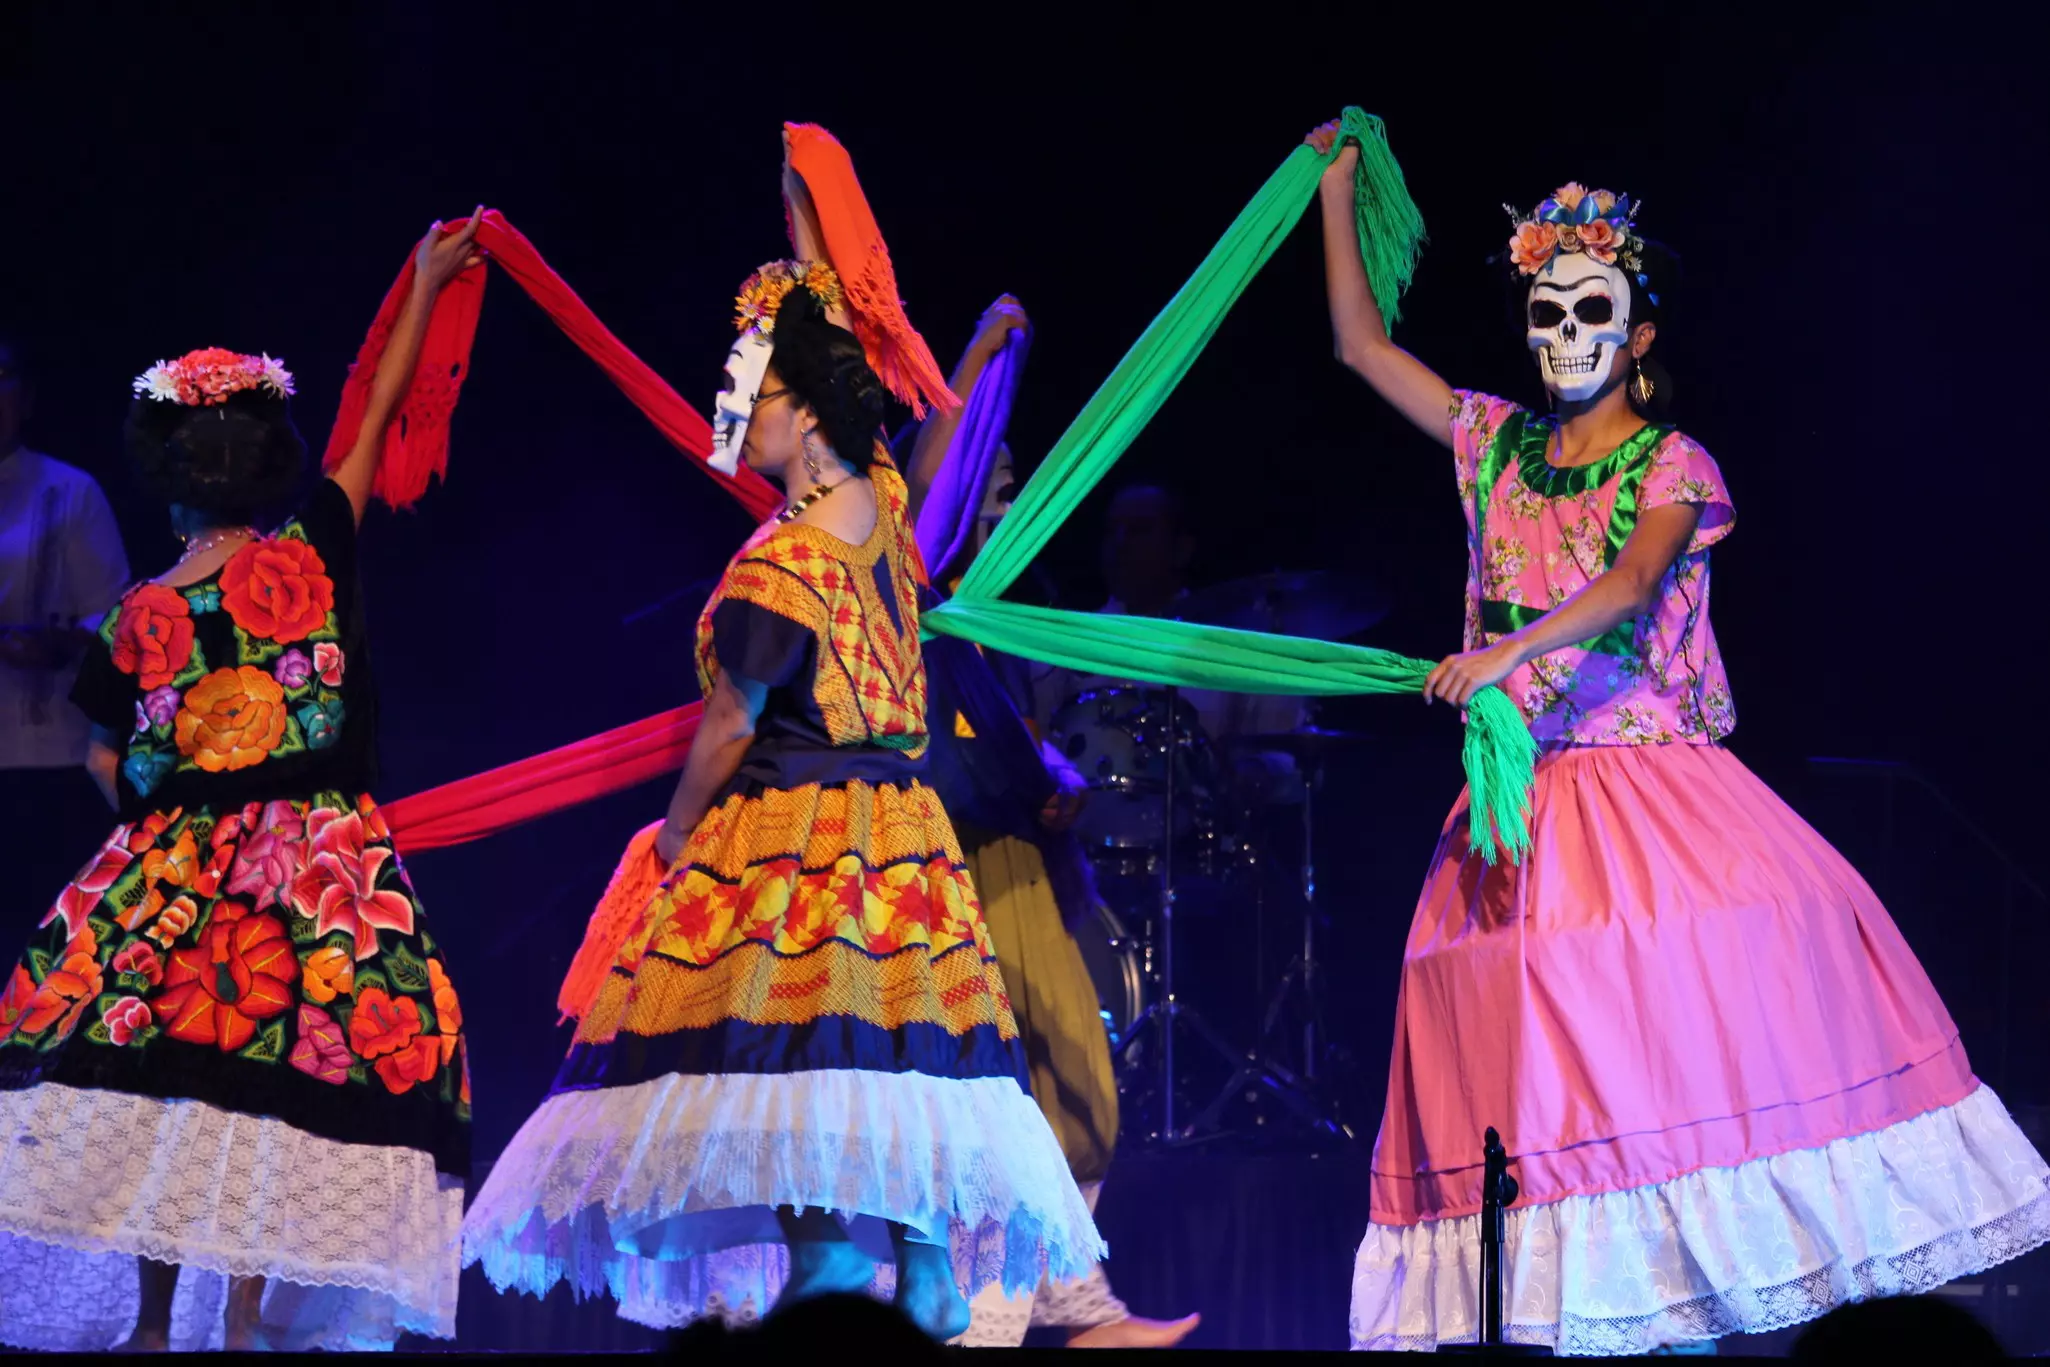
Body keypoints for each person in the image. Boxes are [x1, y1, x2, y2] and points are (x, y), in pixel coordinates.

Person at [1306, 118, 2050, 1354]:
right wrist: (1337, 185)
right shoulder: (1495, 444)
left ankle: (1677, 1321)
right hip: (1520, 804)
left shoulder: (1672, 464)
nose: (1563, 334)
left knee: (1654, 1070)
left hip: (1651, 807)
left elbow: (1632, 581)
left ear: (1638, 335)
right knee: (1533, 1092)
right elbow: (1360, 345)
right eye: (1543, 312)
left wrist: (1507, 652)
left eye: (1588, 311)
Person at [459, 130, 1101, 1342]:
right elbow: (832, 325)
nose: (733, 416)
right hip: (902, 835)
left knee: (787, 1038)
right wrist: (803, 202)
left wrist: (675, 835)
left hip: (795, 828)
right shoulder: (880, 504)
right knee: (892, 1049)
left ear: (803, 409)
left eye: (751, 395)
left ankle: (825, 1260)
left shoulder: (783, 561)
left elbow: (729, 721)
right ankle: (920, 1269)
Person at [0, 216, 485, 1352]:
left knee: (160, 1089)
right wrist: (422, 282)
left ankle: (154, 1323)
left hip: (167, 874)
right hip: (312, 874)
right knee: (272, 1089)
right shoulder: (308, 551)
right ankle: (249, 1316)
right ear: (269, 465)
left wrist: (157, 825)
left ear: (165, 484)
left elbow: (100, 750)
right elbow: (374, 417)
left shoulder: (139, 612)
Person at [901, 297, 1200, 1349]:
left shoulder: (997, 616)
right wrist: (978, 361)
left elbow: (1015, 734)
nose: (1007, 481)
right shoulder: (910, 587)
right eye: (988, 465)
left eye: (1011, 467)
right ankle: (1003, 1317)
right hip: (944, 864)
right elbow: (918, 484)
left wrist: (1058, 774)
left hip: (1022, 859)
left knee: (1077, 1082)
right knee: (983, 1094)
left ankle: (1066, 1301)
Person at [0, 334, 132, 937]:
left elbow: (116, 614)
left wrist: (59, 643)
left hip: (49, 755)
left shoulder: (69, 490)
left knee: (47, 933)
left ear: (25, 397)